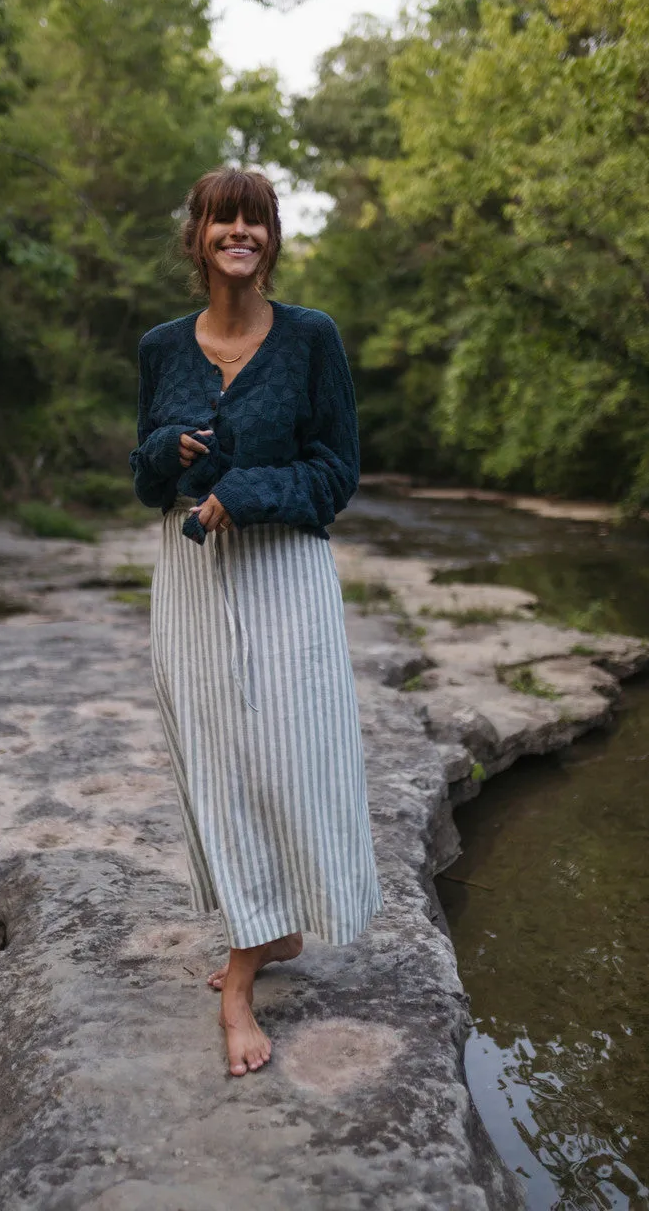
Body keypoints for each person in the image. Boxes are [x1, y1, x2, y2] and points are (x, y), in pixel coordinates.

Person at [129, 167, 383, 1077]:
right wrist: (170, 452)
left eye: (256, 220)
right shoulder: (163, 347)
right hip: (191, 582)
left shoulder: (311, 338)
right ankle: (260, 938)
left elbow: (336, 473)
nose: (240, 232)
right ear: (197, 236)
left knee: (289, 752)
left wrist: (245, 491)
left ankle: (248, 966)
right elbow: (144, 477)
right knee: (216, 756)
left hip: (284, 575)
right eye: (222, 220)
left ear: (271, 238)